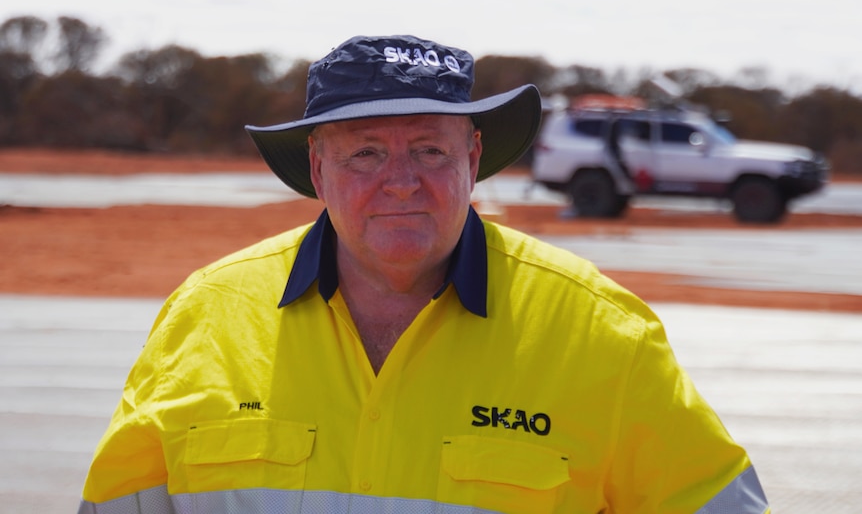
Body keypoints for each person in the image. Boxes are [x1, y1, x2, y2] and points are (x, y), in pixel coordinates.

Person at [78, 35, 770, 514]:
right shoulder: (207, 314)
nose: (401, 182)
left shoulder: (597, 330)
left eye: (430, 151)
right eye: (366, 153)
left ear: (473, 158)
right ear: (317, 168)